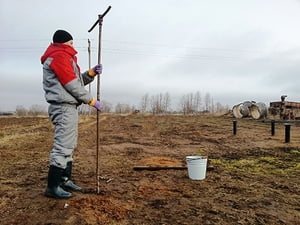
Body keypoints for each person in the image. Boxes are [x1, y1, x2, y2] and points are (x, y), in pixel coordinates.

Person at [41, 29, 102, 199]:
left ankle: (64, 179)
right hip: (63, 107)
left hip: (68, 107)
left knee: (69, 144)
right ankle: (52, 186)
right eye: (71, 43)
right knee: (63, 146)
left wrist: (90, 74)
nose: (73, 45)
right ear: (63, 42)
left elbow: (76, 81)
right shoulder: (59, 56)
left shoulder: (65, 57)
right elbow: (71, 85)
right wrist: (91, 100)